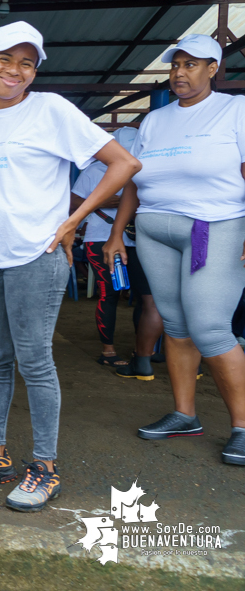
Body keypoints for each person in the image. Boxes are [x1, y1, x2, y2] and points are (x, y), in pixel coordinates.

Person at [0, 21, 141, 511]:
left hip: (35, 255)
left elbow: (123, 164)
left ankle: (45, 468)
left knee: (34, 361)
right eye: (5, 60)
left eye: (27, 63)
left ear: (35, 72)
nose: (15, 71)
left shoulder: (51, 109)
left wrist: (73, 219)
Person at [103, 34, 245, 466]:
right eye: (176, 65)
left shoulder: (235, 110)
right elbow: (133, 179)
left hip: (213, 225)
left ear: (213, 69)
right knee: (176, 325)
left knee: (210, 327)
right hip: (153, 230)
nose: (180, 73)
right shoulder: (155, 120)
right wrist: (116, 235)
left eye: (191, 65)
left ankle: (242, 426)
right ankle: (186, 414)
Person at [71, 127, 163, 378]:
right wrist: (104, 202)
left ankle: (142, 351)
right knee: (108, 294)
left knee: (145, 298)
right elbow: (71, 202)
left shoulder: (147, 170)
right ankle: (108, 351)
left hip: (139, 241)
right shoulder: (95, 170)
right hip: (101, 239)